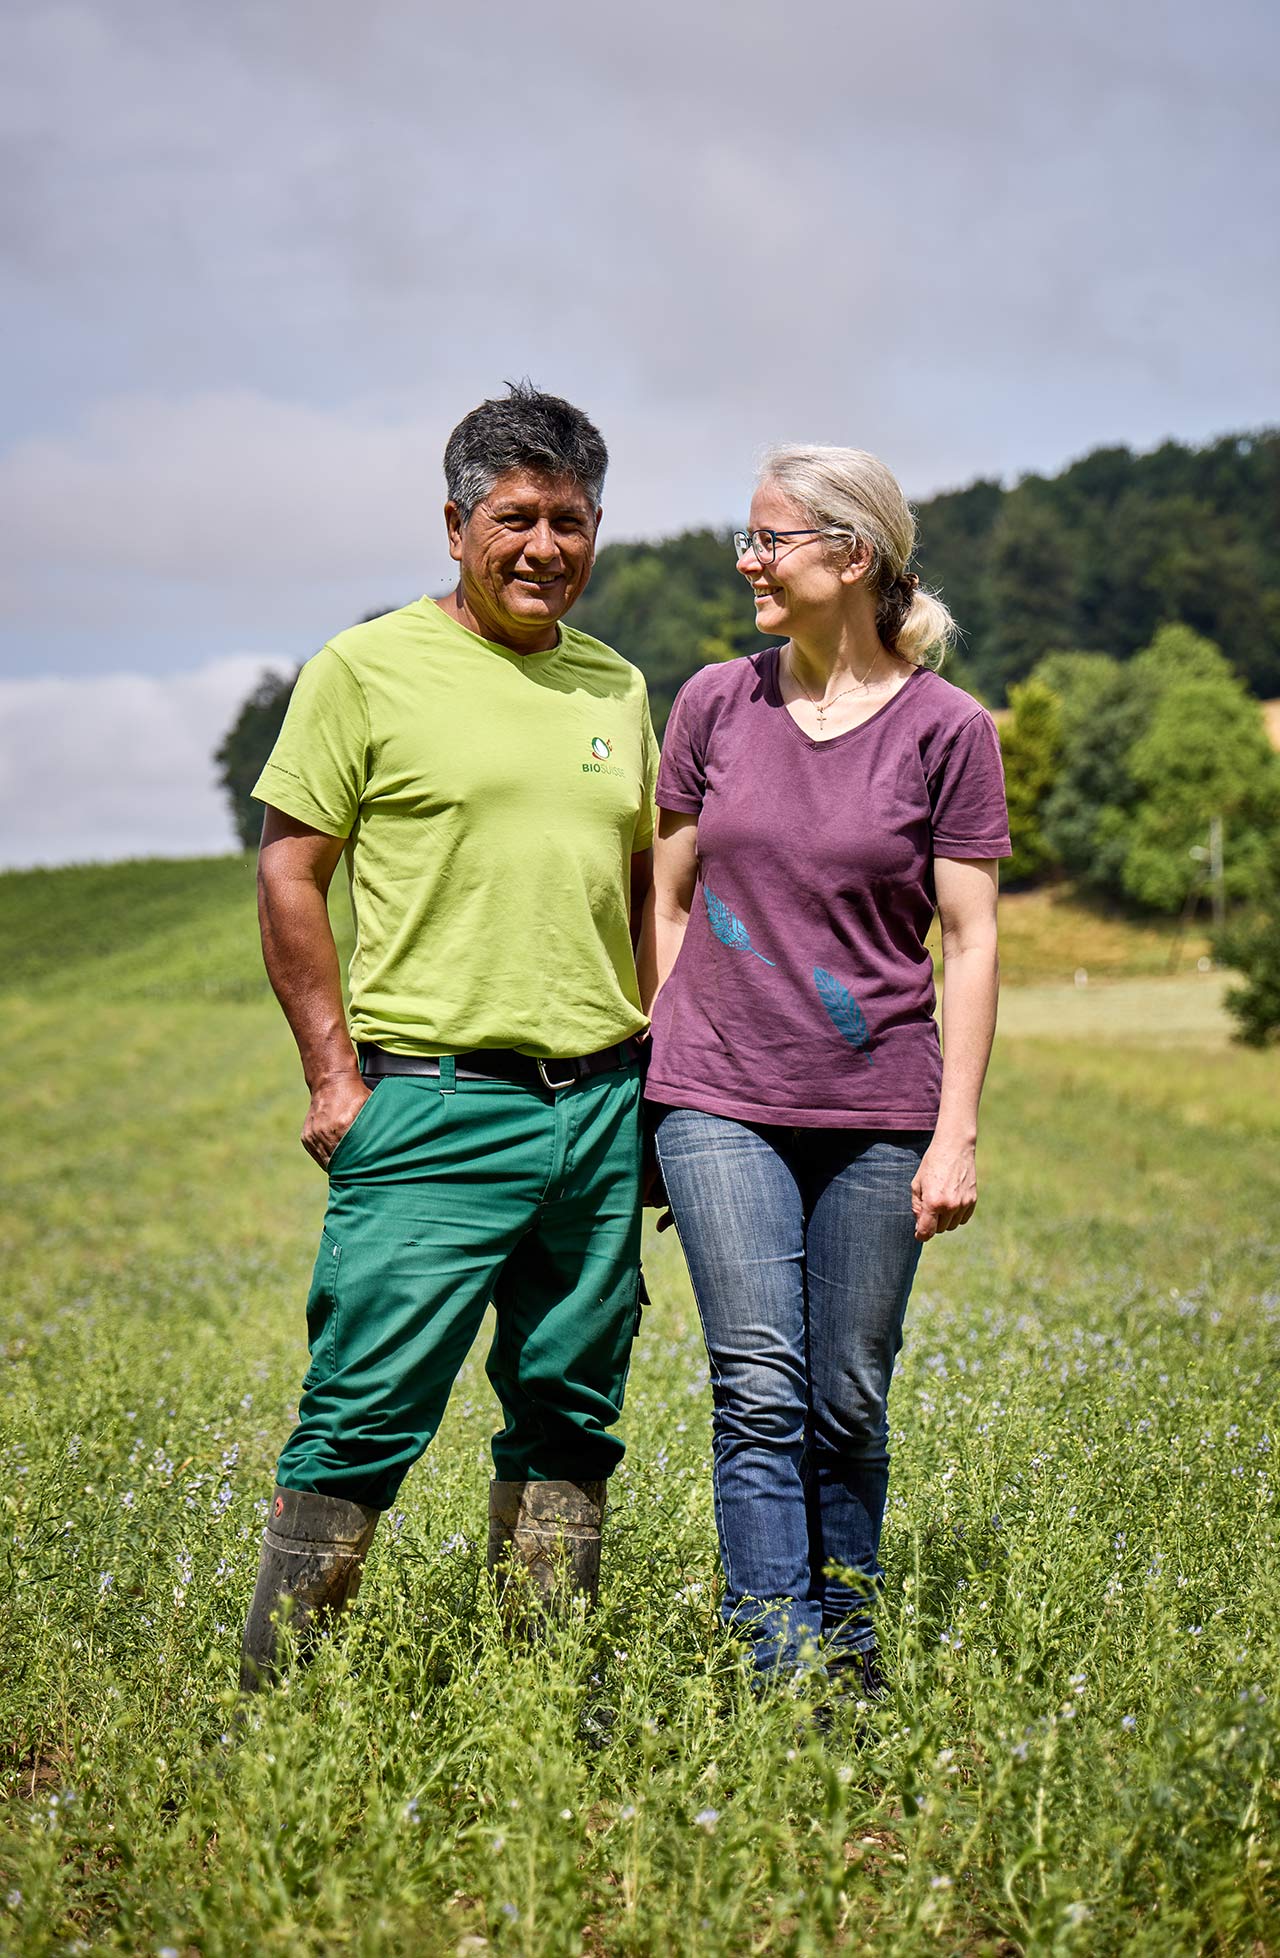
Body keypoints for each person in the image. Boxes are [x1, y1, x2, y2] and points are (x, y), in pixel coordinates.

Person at [240, 383, 659, 1690]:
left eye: (571, 521)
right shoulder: (364, 670)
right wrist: (332, 1071)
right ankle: (281, 1699)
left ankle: (541, 1687)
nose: (545, 546)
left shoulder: (621, 685)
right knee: (362, 1412)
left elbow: (650, 894)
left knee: (571, 1415)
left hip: (599, 1108)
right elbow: (290, 872)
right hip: (430, 1101)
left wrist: (662, 1084)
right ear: (456, 523)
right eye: (517, 517)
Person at [640, 444, 1010, 1694]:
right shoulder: (710, 703)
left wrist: (953, 1130)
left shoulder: (946, 730)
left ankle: (845, 1650)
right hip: (717, 1097)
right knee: (757, 1382)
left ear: (850, 555)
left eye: (769, 539)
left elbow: (968, 938)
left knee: (846, 1396)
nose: (747, 560)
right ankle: (774, 1661)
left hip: (877, 1107)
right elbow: (669, 897)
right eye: (744, 539)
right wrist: (671, 1042)